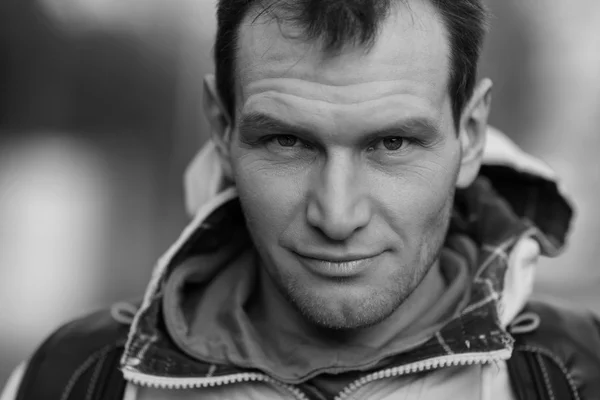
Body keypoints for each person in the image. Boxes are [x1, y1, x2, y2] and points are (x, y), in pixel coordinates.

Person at [2, 0, 599, 399]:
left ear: (469, 136)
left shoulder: (577, 374)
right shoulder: (72, 378)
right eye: (286, 141)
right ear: (221, 127)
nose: (337, 217)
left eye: (392, 142)